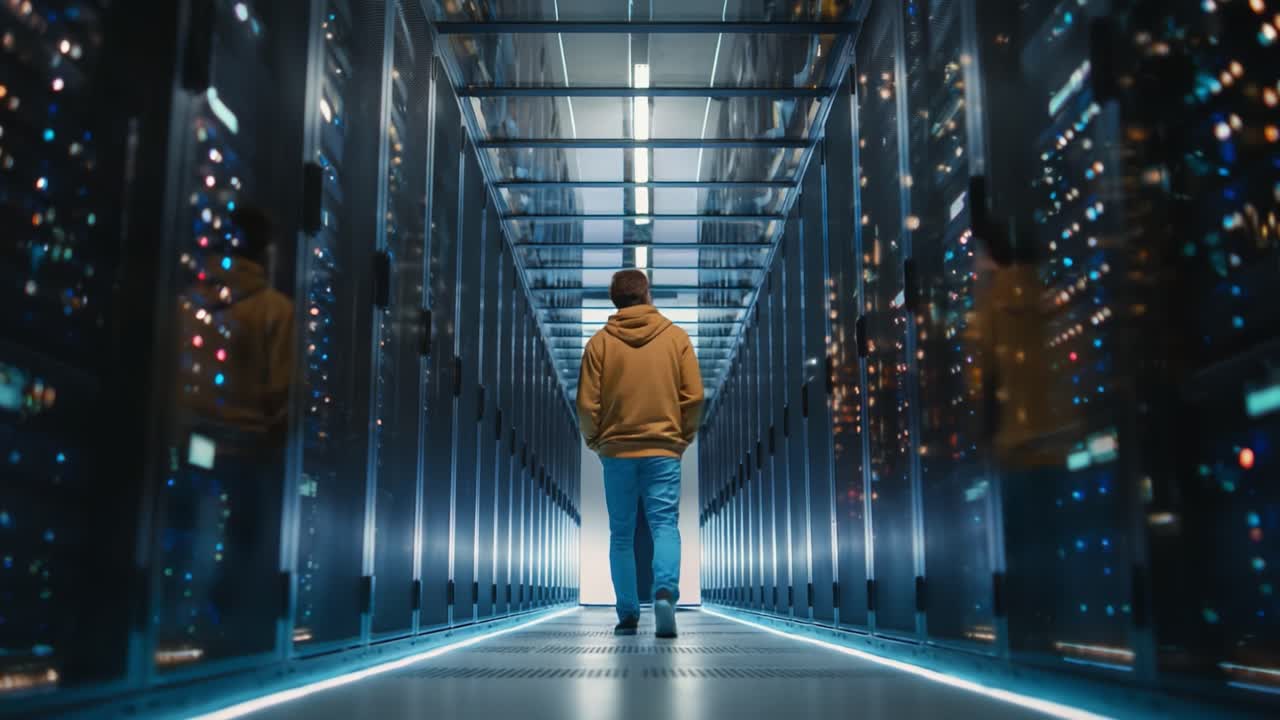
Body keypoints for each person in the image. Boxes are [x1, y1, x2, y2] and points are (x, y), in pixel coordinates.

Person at [576, 270, 704, 638]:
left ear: (614, 300)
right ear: (647, 295)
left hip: (616, 451)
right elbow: (694, 397)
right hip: (663, 448)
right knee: (664, 525)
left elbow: (586, 405)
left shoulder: (599, 344)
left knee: (621, 534)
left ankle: (628, 613)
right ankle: (664, 594)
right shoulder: (676, 339)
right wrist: (681, 437)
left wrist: (596, 440)